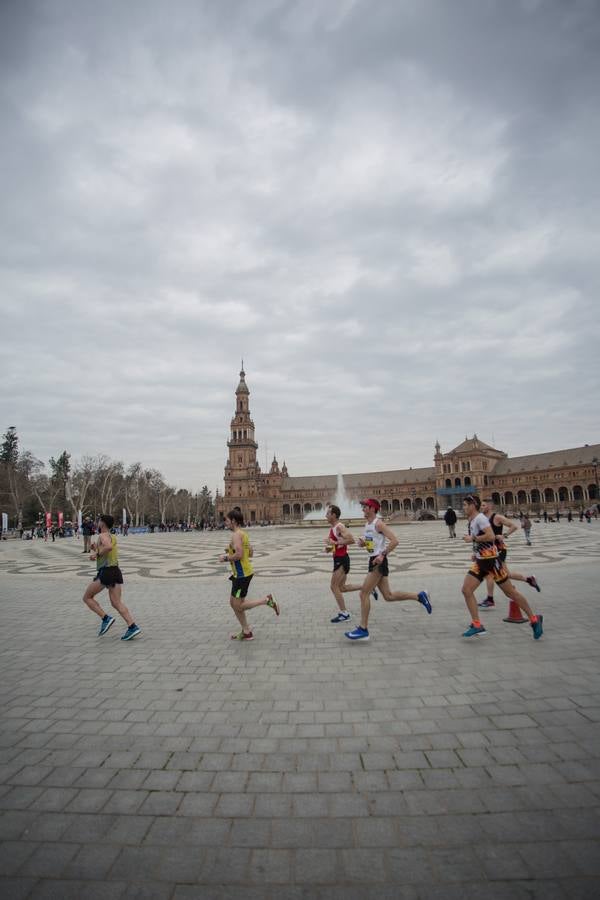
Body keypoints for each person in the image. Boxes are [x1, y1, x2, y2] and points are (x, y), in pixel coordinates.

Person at [344, 499, 431, 642]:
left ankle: (363, 629)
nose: (363, 509)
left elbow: (395, 541)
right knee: (388, 596)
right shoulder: (368, 525)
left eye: (365, 507)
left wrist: (382, 555)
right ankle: (419, 596)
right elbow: (372, 544)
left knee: (363, 593)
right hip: (374, 560)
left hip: (378, 563)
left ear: (372, 508)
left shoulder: (379, 523)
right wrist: (363, 543)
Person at [460, 495, 542, 639]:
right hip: (480, 562)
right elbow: (480, 540)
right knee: (466, 590)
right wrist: (475, 551)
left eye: (466, 505)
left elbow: (491, 536)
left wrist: (472, 539)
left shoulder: (480, 518)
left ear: (473, 505)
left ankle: (534, 619)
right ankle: (477, 624)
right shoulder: (471, 520)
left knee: (510, 593)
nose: (464, 507)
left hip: (492, 562)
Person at [219, 508, 279, 641]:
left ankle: (267, 600)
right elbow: (250, 552)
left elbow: (239, 554)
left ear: (234, 521)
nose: (226, 523)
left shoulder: (236, 535)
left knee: (238, 605)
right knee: (233, 602)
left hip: (242, 575)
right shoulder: (243, 534)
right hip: (241, 574)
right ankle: (246, 630)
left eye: (227, 521)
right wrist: (232, 550)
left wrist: (226, 558)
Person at [82, 514, 141, 640]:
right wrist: (96, 547)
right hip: (115, 570)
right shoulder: (112, 536)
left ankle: (105, 618)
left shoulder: (102, 535)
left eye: (99, 521)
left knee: (87, 597)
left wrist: (96, 553)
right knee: (116, 603)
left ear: (102, 523)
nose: (97, 523)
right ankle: (132, 626)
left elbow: (108, 547)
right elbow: (108, 547)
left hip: (106, 572)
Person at [478, 498, 540, 609]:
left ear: (490, 506)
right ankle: (529, 579)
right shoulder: (482, 518)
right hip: (488, 550)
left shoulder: (497, 517)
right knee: (506, 574)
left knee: (490, 575)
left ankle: (490, 599)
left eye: (483, 505)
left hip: (498, 549)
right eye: (481, 505)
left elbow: (514, 526)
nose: (481, 507)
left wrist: (504, 535)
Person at [324, 504, 356, 623]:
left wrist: (335, 543)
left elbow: (351, 539)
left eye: (328, 513)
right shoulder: (333, 528)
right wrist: (329, 548)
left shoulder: (339, 526)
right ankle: (368, 587)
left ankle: (344, 613)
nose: (326, 515)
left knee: (334, 586)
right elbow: (336, 544)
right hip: (339, 558)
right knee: (341, 588)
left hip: (341, 559)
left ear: (334, 515)